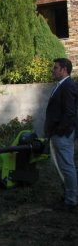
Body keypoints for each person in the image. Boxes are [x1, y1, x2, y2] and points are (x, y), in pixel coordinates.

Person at [44, 57, 78, 211]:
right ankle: (68, 195)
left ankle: (71, 200)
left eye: (55, 68)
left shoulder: (68, 86)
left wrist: (61, 132)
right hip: (58, 134)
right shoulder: (61, 85)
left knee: (67, 166)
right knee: (62, 166)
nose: (53, 70)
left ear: (64, 69)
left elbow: (70, 113)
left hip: (63, 135)